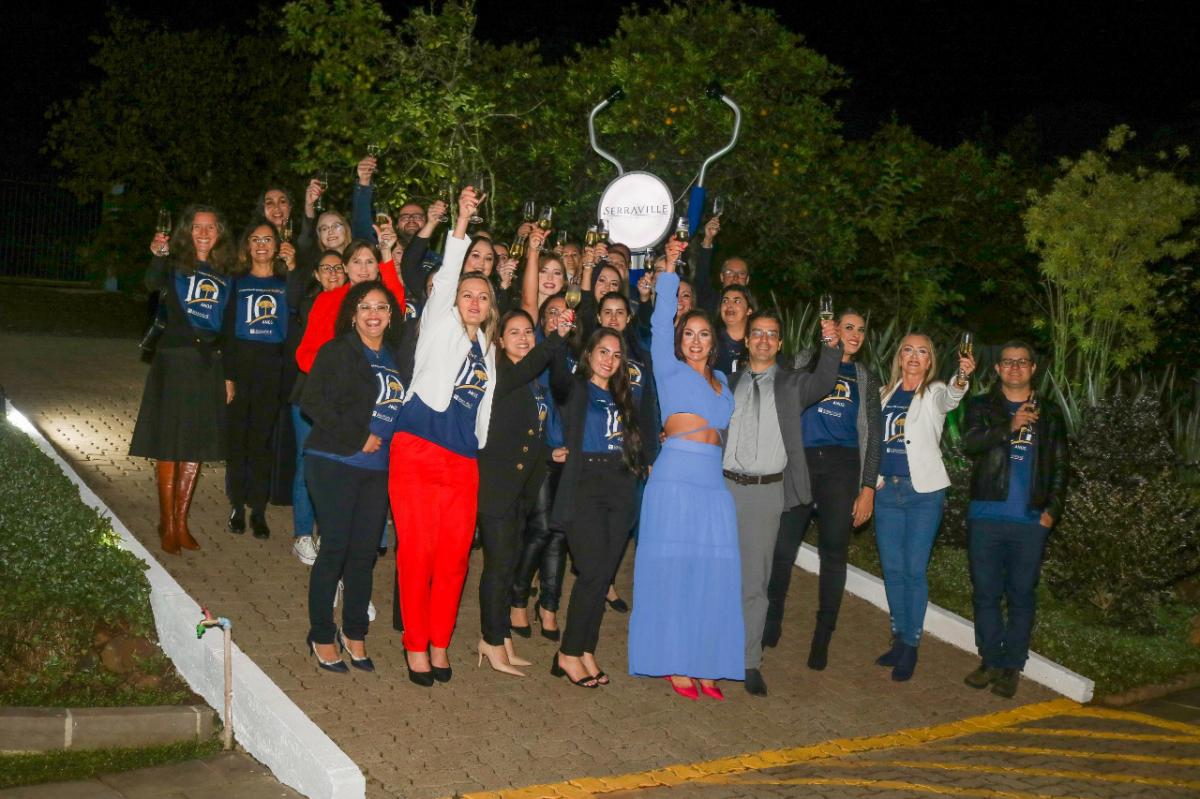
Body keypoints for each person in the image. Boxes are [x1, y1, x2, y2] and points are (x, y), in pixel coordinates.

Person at [628, 238, 741, 700]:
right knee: (671, 571)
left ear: (713, 344)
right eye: (689, 333)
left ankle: (707, 662)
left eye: (703, 335)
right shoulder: (668, 369)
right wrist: (670, 266)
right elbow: (658, 319)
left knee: (713, 574)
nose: (696, 340)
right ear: (680, 340)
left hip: (712, 486)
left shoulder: (724, 385)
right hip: (674, 479)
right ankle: (674, 661)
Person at [391, 186, 494, 687]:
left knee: (454, 559)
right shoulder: (438, 325)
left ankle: (439, 641)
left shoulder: (489, 348)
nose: (474, 302)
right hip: (417, 447)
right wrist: (462, 221)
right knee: (418, 553)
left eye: (483, 297)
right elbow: (451, 270)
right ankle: (414, 645)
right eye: (466, 295)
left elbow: (486, 414)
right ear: (452, 299)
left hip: (462, 461)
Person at [724, 308, 841, 697]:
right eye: (757, 333)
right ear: (746, 339)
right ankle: (714, 653)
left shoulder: (792, 385)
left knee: (756, 581)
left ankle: (749, 661)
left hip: (765, 492)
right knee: (719, 576)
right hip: (722, 489)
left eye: (771, 335)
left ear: (780, 343)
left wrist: (831, 343)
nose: (763, 340)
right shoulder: (727, 382)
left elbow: (825, 379)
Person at [764, 309, 883, 672]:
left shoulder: (864, 377)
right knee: (782, 548)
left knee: (834, 552)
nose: (855, 334)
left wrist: (867, 489)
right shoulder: (804, 360)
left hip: (841, 467)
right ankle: (771, 621)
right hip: (800, 463)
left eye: (861, 330)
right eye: (848, 327)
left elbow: (874, 434)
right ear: (832, 329)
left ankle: (822, 637)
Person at [300, 281, 404, 674]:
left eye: (381, 307)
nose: (373, 314)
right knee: (336, 550)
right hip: (333, 461)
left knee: (364, 555)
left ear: (391, 315)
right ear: (353, 313)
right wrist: (359, 436)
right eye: (365, 307)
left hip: (377, 472)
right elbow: (312, 402)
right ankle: (322, 635)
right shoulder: (337, 351)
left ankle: (355, 631)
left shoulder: (395, 357)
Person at [961, 341, 1069, 698]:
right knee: (986, 593)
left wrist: (1051, 512)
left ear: (1033, 369)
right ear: (997, 369)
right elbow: (970, 444)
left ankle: (1012, 666)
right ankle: (991, 659)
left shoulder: (1051, 413)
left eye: (1022, 362)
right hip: (986, 516)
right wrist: (1011, 424)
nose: (1015, 368)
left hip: (1030, 520)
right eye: (1007, 362)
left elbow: (1060, 467)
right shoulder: (981, 406)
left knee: (1021, 594)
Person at [131, 205, 236, 554]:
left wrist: (229, 375)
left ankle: (181, 522)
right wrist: (157, 256)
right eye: (196, 227)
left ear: (219, 233)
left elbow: (231, 327)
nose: (204, 233)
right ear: (186, 232)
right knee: (169, 440)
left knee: (196, 442)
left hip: (209, 364)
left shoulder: (226, 272)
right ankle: (168, 524)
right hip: (174, 360)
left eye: (210, 227)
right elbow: (149, 283)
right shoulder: (174, 264)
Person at [874, 333, 975, 681]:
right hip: (888, 492)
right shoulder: (884, 394)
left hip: (923, 495)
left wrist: (961, 376)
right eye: (908, 350)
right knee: (893, 570)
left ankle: (911, 645)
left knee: (914, 571)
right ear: (899, 357)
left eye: (922, 352)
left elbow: (953, 397)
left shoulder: (933, 394)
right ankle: (898, 638)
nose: (914, 357)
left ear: (930, 361)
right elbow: (872, 442)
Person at [548, 328, 643, 688]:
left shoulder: (623, 394)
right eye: (603, 351)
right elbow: (556, 376)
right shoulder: (575, 389)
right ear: (589, 354)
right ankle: (568, 653)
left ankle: (586, 649)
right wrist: (558, 338)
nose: (609, 360)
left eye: (616, 355)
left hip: (620, 485)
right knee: (590, 574)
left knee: (603, 576)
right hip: (585, 484)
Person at [475, 309, 568, 675]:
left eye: (529, 332)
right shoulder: (501, 374)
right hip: (496, 488)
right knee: (497, 569)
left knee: (510, 565)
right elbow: (530, 366)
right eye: (514, 332)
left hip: (520, 491)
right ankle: (491, 640)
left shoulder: (533, 383)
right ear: (499, 340)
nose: (524, 338)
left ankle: (502, 639)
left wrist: (550, 452)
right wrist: (556, 338)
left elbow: (526, 434)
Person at [509, 296, 571, 639]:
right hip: (540, 457)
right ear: (541, 321)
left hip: (572, 457)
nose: (558, 319)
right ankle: (517, 597)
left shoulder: (573, 357)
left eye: (565, 315)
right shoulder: (529, 359)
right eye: (552, 313)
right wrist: (549, 451)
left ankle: (549, 604)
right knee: (543, 527)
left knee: (559, 532)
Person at [225, 219, 290, 540]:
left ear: (277, 246)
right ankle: (236, 504)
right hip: (241, 366)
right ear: (247, 246)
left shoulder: (286, 282)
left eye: (268, 239)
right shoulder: (236, 281)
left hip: (271, 368)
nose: (261, 245)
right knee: (237, 439)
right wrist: (227, 376)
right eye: (255, 239)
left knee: (262, 442)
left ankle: (258, 510)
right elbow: (225, 328)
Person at [694, 214, 750, 314]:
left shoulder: (752, 308)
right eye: (729, 273)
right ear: (721, 277)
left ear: (747, 280)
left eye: (741, 274)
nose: (735, 278)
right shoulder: (710, 302)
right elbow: (701, 277)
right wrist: (708, 239)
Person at [715, 285, 753, 374]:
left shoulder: (757, 343)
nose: (729, 305)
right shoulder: (709, 340)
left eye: (737, 301)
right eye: (725, 301)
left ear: (749, 310)